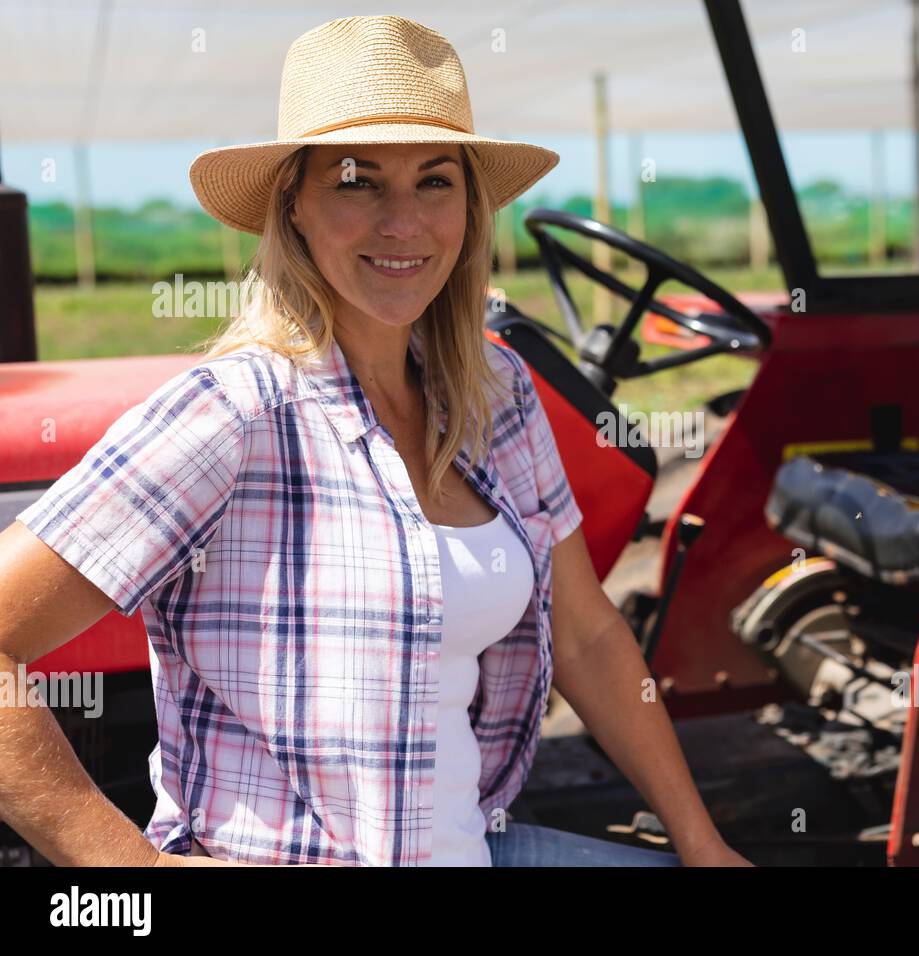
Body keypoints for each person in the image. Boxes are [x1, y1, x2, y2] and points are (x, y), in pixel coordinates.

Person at [0, 14, 750, 868]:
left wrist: (701, 843)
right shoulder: (235, 412)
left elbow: (585, 636)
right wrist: (127, 869)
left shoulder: (496, 396)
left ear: (470, 206)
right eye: (357, 182)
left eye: (435, 181)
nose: (404, 223)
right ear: (293, 206)